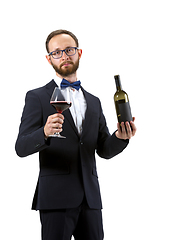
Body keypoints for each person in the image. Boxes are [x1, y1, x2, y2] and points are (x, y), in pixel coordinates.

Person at [15, 29, 136, 240]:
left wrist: (120, 137)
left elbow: (104, 149)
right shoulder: (37, 97)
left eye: (69, 50)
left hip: (91, 201)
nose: (64, 56)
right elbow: (21, 147)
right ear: (48, 58)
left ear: (79, 53)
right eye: (57, 52)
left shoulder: (94, 101)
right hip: (55, 199)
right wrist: (44, 133)